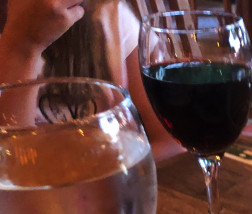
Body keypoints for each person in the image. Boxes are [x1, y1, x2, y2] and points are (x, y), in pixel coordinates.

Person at [0, 0, 182, 161]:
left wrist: (112, 178)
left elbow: (170, 143)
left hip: (113, 183)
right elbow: (11, 164)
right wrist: (23, 47)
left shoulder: (111, 15)